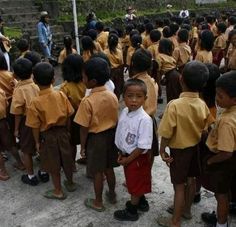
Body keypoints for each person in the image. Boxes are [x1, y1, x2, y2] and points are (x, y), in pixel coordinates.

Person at [157, 61, 214, 227]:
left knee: (179, 185)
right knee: (191, 181)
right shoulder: (202, 104)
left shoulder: (174, 105)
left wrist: (162, 150)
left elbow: (166, 132)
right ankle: (187, 211)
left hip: (179, 151)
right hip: (195, 148)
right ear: (203, 85)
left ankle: (175, 221)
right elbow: (207, 128)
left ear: (181, 79)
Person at [26, 62, 77, 199]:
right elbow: (68, 115)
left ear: (34, 80)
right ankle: (71, 183)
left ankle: (58, 191)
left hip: (47, 136)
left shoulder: (34, 103)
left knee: (53, 163)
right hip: (63, 132)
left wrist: (37, 142)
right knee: (67, 159)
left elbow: (35, 126)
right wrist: (67, 131)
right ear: (54, 79)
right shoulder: (60, 94)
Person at [74, 57, 119, 212]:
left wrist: (83, 146)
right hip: (111, 136)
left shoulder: (87, 101)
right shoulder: (112, 95)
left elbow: (83, 128)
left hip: (96, 139)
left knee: (98, 172)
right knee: (109, 168)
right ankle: (112, 194)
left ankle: (98, 201)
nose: (82, 79)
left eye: (84, 77)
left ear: (92, 81)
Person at [113, 79, 153, 221]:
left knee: (134, 184)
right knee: (135, 181)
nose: (134, 101)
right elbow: (122, 132)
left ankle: (132, 211)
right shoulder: (124, 111)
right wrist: (121, 152)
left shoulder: (144, 119)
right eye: (130, 96)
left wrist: (128, 160)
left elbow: (142, 146)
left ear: (145, 98)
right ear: (123, 97)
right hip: (126, 155)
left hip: (136, 158)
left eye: (139, 96)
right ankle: (142, 202)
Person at [201, 71, 236, 227]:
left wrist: (210, 161)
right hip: (229, 161)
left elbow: (226, 152)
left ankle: (221, 223)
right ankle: (225, 212)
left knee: (220, 194)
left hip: (222, 161)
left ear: (234, 99)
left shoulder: (228, 122)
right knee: (226, 190)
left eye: (221, 96)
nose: (216, 98)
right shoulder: (231, 112)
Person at [11, 58, 49, 186]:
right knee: (41, 146)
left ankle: (31, 175)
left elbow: (17, 111)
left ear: (15, 74)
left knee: (26, 150)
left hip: (26, 122)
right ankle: (44, 172)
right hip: (41, 120)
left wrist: (16, 129)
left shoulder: (18, 90)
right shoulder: (37, 85)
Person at [60, 54, 86, 171]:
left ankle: (72, 165)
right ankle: (88, 160)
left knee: (72, 143)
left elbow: (64, 108)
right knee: (87, 141)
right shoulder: (86, 82)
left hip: (73, 118)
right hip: (87, 116)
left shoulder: (65, 88)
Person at [156, 38, 181, 103]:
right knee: (175, 94)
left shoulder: (159, 57)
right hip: (176, 74)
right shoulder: (170, 57)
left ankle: (171, 111)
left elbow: (158, 72)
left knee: (171, 96)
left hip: (171, 76)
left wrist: (159, 86)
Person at [104, 34, 124, 99]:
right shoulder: (119, 52)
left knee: (109, 87)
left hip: (109, 72)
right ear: (117, 43)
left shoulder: (105, 52)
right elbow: (121, 64)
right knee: (117, 88)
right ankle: (116, 101)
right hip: (118, 72)